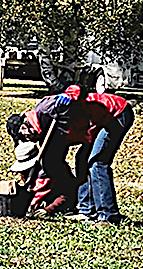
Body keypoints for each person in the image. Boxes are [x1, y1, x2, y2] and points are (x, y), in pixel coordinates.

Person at [57, 84, 133, 224]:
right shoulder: (64, 108)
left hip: (118, 114)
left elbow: (90, 133)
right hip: (101, 121)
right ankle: (87, 210)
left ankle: (108, 215)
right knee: (81, 158)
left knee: (97, 162)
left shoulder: (89, 108)